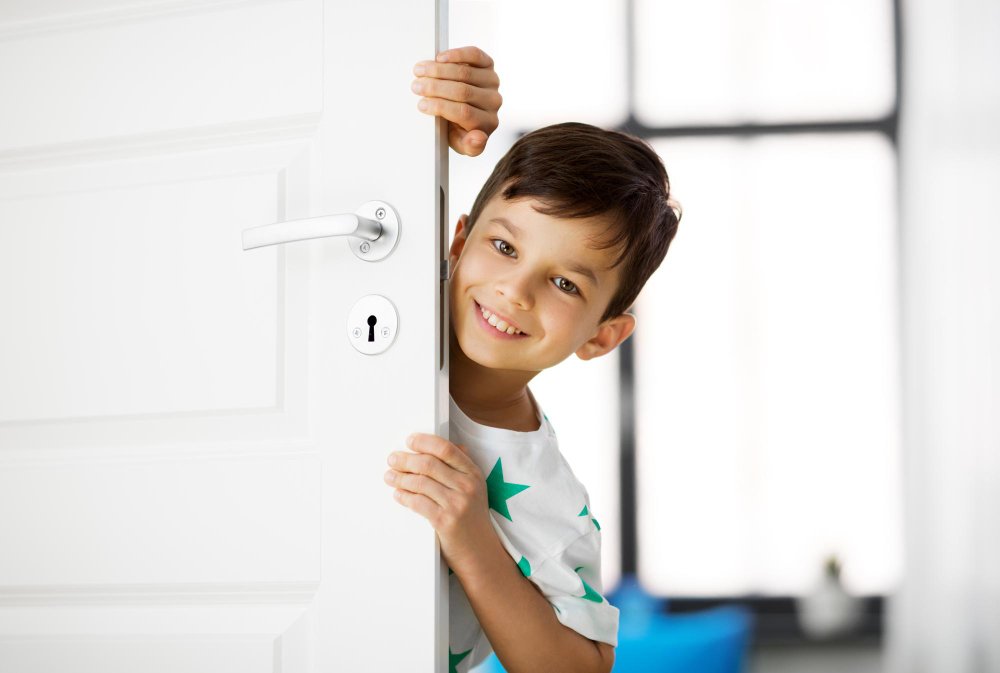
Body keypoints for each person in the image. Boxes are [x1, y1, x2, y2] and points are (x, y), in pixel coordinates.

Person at [386, 46, 680, 673]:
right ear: (459, 241)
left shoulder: (542, 491)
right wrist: (449, 100)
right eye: (502, 246)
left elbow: (581, 668)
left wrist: (471, 536)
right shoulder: (381, 307)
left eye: (566, 284)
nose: (515, 291)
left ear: (602, 337)